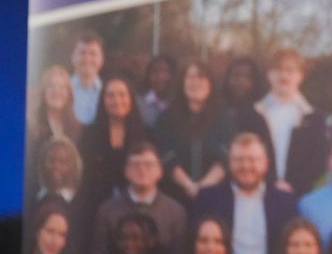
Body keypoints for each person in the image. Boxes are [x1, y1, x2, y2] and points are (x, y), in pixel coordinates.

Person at [194, 132, 297, 254]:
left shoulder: (285, 202)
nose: (246, 166)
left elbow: (289, 246)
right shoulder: (208, 199)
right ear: (230, 163)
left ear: (265, 163)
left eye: (253, 160)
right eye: (239, 160)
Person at [91, 142, 187, 254]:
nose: (142, 169)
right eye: (135, 164)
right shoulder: (107, 210)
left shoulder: (175, 212)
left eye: (149, 164)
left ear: (160, 171)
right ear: (126, 171)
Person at [236, 49, 327, 196]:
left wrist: (293, 186)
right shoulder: (252, 114)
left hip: (301, 195)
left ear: (300, 76)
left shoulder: (315, 117)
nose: (283, 75)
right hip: (258, 192)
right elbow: (244, 154)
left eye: (290, 70)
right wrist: (269, 183)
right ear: (269, 74)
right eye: (278, 69)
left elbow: (319, 159)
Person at [154, 60, 231, 202]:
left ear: (210, 83)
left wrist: (204, 186)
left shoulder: (224, 117)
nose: (195, 83)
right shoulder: (167, 117)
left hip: (215, 194)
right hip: (175, 195)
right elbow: (165, 154)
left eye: (201, 77)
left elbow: (226, 155)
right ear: (182, 83)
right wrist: (189, 185)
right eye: (190, 77)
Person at [79, 76, 148, 207]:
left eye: (122, 95)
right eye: (110, 96)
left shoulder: (146, 134)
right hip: (96, 204)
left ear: (131, 98)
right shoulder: (89, 134)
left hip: (137, 204)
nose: (117, 100)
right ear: (103, 100)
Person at [28, 65, 82, 147]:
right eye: (51, 86)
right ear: (43, 93)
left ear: (69, 94)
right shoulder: (32, 125)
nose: (57, 91)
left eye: (62, 87)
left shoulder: (76, 126)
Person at [70, 31, 104, 126]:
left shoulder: (109, 93)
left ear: (101, 59)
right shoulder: (62, 92)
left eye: (93, 54)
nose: (87, 59)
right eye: (82, 53)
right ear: (72, 58)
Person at [135, 55, 178, 129]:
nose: (160, 77)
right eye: (155, 71)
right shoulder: (139, 104)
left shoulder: (178, 103)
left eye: (164, 72)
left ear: (172, 75)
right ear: (148, 76)